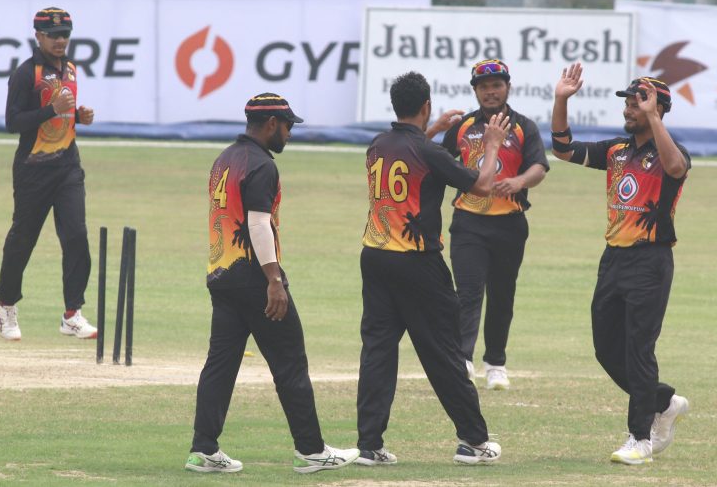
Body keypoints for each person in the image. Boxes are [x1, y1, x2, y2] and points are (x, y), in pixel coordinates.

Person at [186, 93, 359, 474]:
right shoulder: (262, 165)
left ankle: (203, 450)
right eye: (287, 126)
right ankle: (311, 452)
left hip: (222, 275)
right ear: (270, 125)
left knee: (220, 365)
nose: (290, 134)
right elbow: (258, 223)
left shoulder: (225, 159)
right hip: (253, 277)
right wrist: (274, 280)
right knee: (290, 362)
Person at [356, 71, 506, 467]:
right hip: (417, 261)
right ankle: (474, 442)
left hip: (374, 256)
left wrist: (433, 131)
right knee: (444, 352)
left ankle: (369, 445)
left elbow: (415, 159)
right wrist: (491, 145)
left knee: (377, 352)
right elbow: (483, 185)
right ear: (426, 106)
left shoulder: (377, 144)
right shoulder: (430, 152)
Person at [551, 63, 690, 465]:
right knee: (606, 349)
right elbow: (562, 148)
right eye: (628, 103)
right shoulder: (616, 151)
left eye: (638, 102)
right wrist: (562, 99)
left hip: (651, 260)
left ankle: (640, 439)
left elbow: (676, 168)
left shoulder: (671, 151)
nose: (629, 109)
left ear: (658, 108)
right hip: (613, 258)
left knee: (639, 349)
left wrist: (652, 118)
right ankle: (663, 401)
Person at [436, 59, 549, 389]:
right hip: (468, 222)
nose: (490, 91)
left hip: (509, 225)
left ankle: (496, 364)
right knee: (468, 294)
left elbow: (539, 168)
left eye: (496, 85)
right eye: (483, 86)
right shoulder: (463, 127)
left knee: (502, 295)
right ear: (475, 90)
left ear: (508, 87)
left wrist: (518, 182)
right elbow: (440, 162)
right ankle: (463, 360)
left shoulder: (524, 127)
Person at [0, 7, 97, 341]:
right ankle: (4, 301)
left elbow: (60, 119)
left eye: (65, 34)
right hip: (33, 169)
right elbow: (13, 122)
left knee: (77, 237)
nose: (60, 40)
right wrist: (53, 109)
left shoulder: (72, 70)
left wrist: (78, 117)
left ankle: (72, 314)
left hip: (68, 166)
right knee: (23, 239)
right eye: (53, 35)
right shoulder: (25, 74)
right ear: (38, 36)